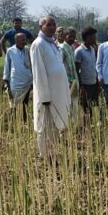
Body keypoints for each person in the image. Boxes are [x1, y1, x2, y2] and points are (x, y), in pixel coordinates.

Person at [31, 16, 70, 159]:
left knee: (54, 124)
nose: (52, 27)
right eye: (49, 25)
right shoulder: (38, 44)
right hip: (47, 96)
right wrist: (45, 97)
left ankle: (52, 153)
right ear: (41, 27)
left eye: (54, 24)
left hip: (57, 92)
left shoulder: (52, 43)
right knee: (45, 125)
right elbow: (38, 73)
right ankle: (44, 155)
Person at [3, 32, 33, 122]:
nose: (25, 41)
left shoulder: (28, 50)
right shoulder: (10, 51)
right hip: (15, 82)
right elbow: (7, 66)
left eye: (25, 39)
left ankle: (25, 121)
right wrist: (6, 81)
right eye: (22, 39)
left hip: (27, 81)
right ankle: (13, 122)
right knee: (13, 103)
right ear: (16, 40)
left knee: (25, 102)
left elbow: (32, 65)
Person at [74, 26, 100, 117]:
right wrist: (81, 87)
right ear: (88, 37)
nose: (95, 38)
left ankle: (91, 128)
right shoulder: (79, 51)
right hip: (85, 85)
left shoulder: (93, 50)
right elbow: (77, 70)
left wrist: (97, 82)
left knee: (92, 108)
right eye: (94, 36)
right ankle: (84, 130)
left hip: (93, 83)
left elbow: (94, 67)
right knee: (86, 109)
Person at [57, 26, 78, 99]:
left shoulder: (71, 47)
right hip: (66, 83)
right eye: (70, 36)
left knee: (74, 106)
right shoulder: (61, 48)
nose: (72, 39)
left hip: (73, 83)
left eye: (74, 37)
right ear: (65, 36)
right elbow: (59, 67)